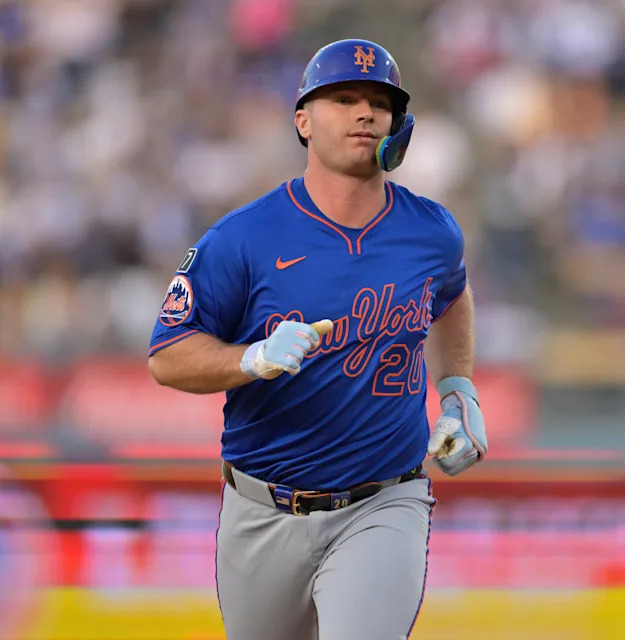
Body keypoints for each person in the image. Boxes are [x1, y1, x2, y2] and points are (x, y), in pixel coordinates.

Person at [147, 38, 487, 640]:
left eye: (379, 103)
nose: (365, 113)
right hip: (261, 508)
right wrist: (248, 358)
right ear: (303, 120)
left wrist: (458, 390)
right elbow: (168, 356)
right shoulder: (244, 238)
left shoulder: (431, 230)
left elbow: (453, 298)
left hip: (383, 501)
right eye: (344, 99)